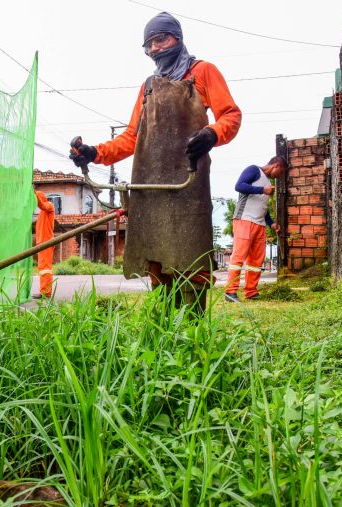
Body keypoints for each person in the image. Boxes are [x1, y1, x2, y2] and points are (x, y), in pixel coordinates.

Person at [69, 12, 241, 312]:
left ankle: (193, 330)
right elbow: (132, 137)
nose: (155, 49)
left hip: (188, 185)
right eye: (149, 45)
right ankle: (163, 329)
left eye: (161, 39)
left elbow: (231, 116)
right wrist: (95, 153)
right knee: (157, 262)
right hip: (151, 187)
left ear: (177, 37)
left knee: (191, 259)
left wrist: (212, 134)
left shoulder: (202, 72)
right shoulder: (149, 86)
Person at [224, 156, 288, 302]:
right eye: (281, 172)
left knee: (256, 261)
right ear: (276, 165)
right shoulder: (254, 170)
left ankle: (251, 291)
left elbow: (263, 208)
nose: (280, 176)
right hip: (244, 220)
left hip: (260, 225)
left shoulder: (268, 184)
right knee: (238, 257)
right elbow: (239, 186)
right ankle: (230, 292)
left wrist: (271, 223)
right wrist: (262, 190)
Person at [33, 190, 55, 299]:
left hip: (46, 242)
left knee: (45, 268)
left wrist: (33, 193)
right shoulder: (41, 213)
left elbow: (42, 204)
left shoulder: (49, 206)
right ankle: (44, 291)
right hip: (42, 243)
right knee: (42, 269)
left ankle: (46, 293)